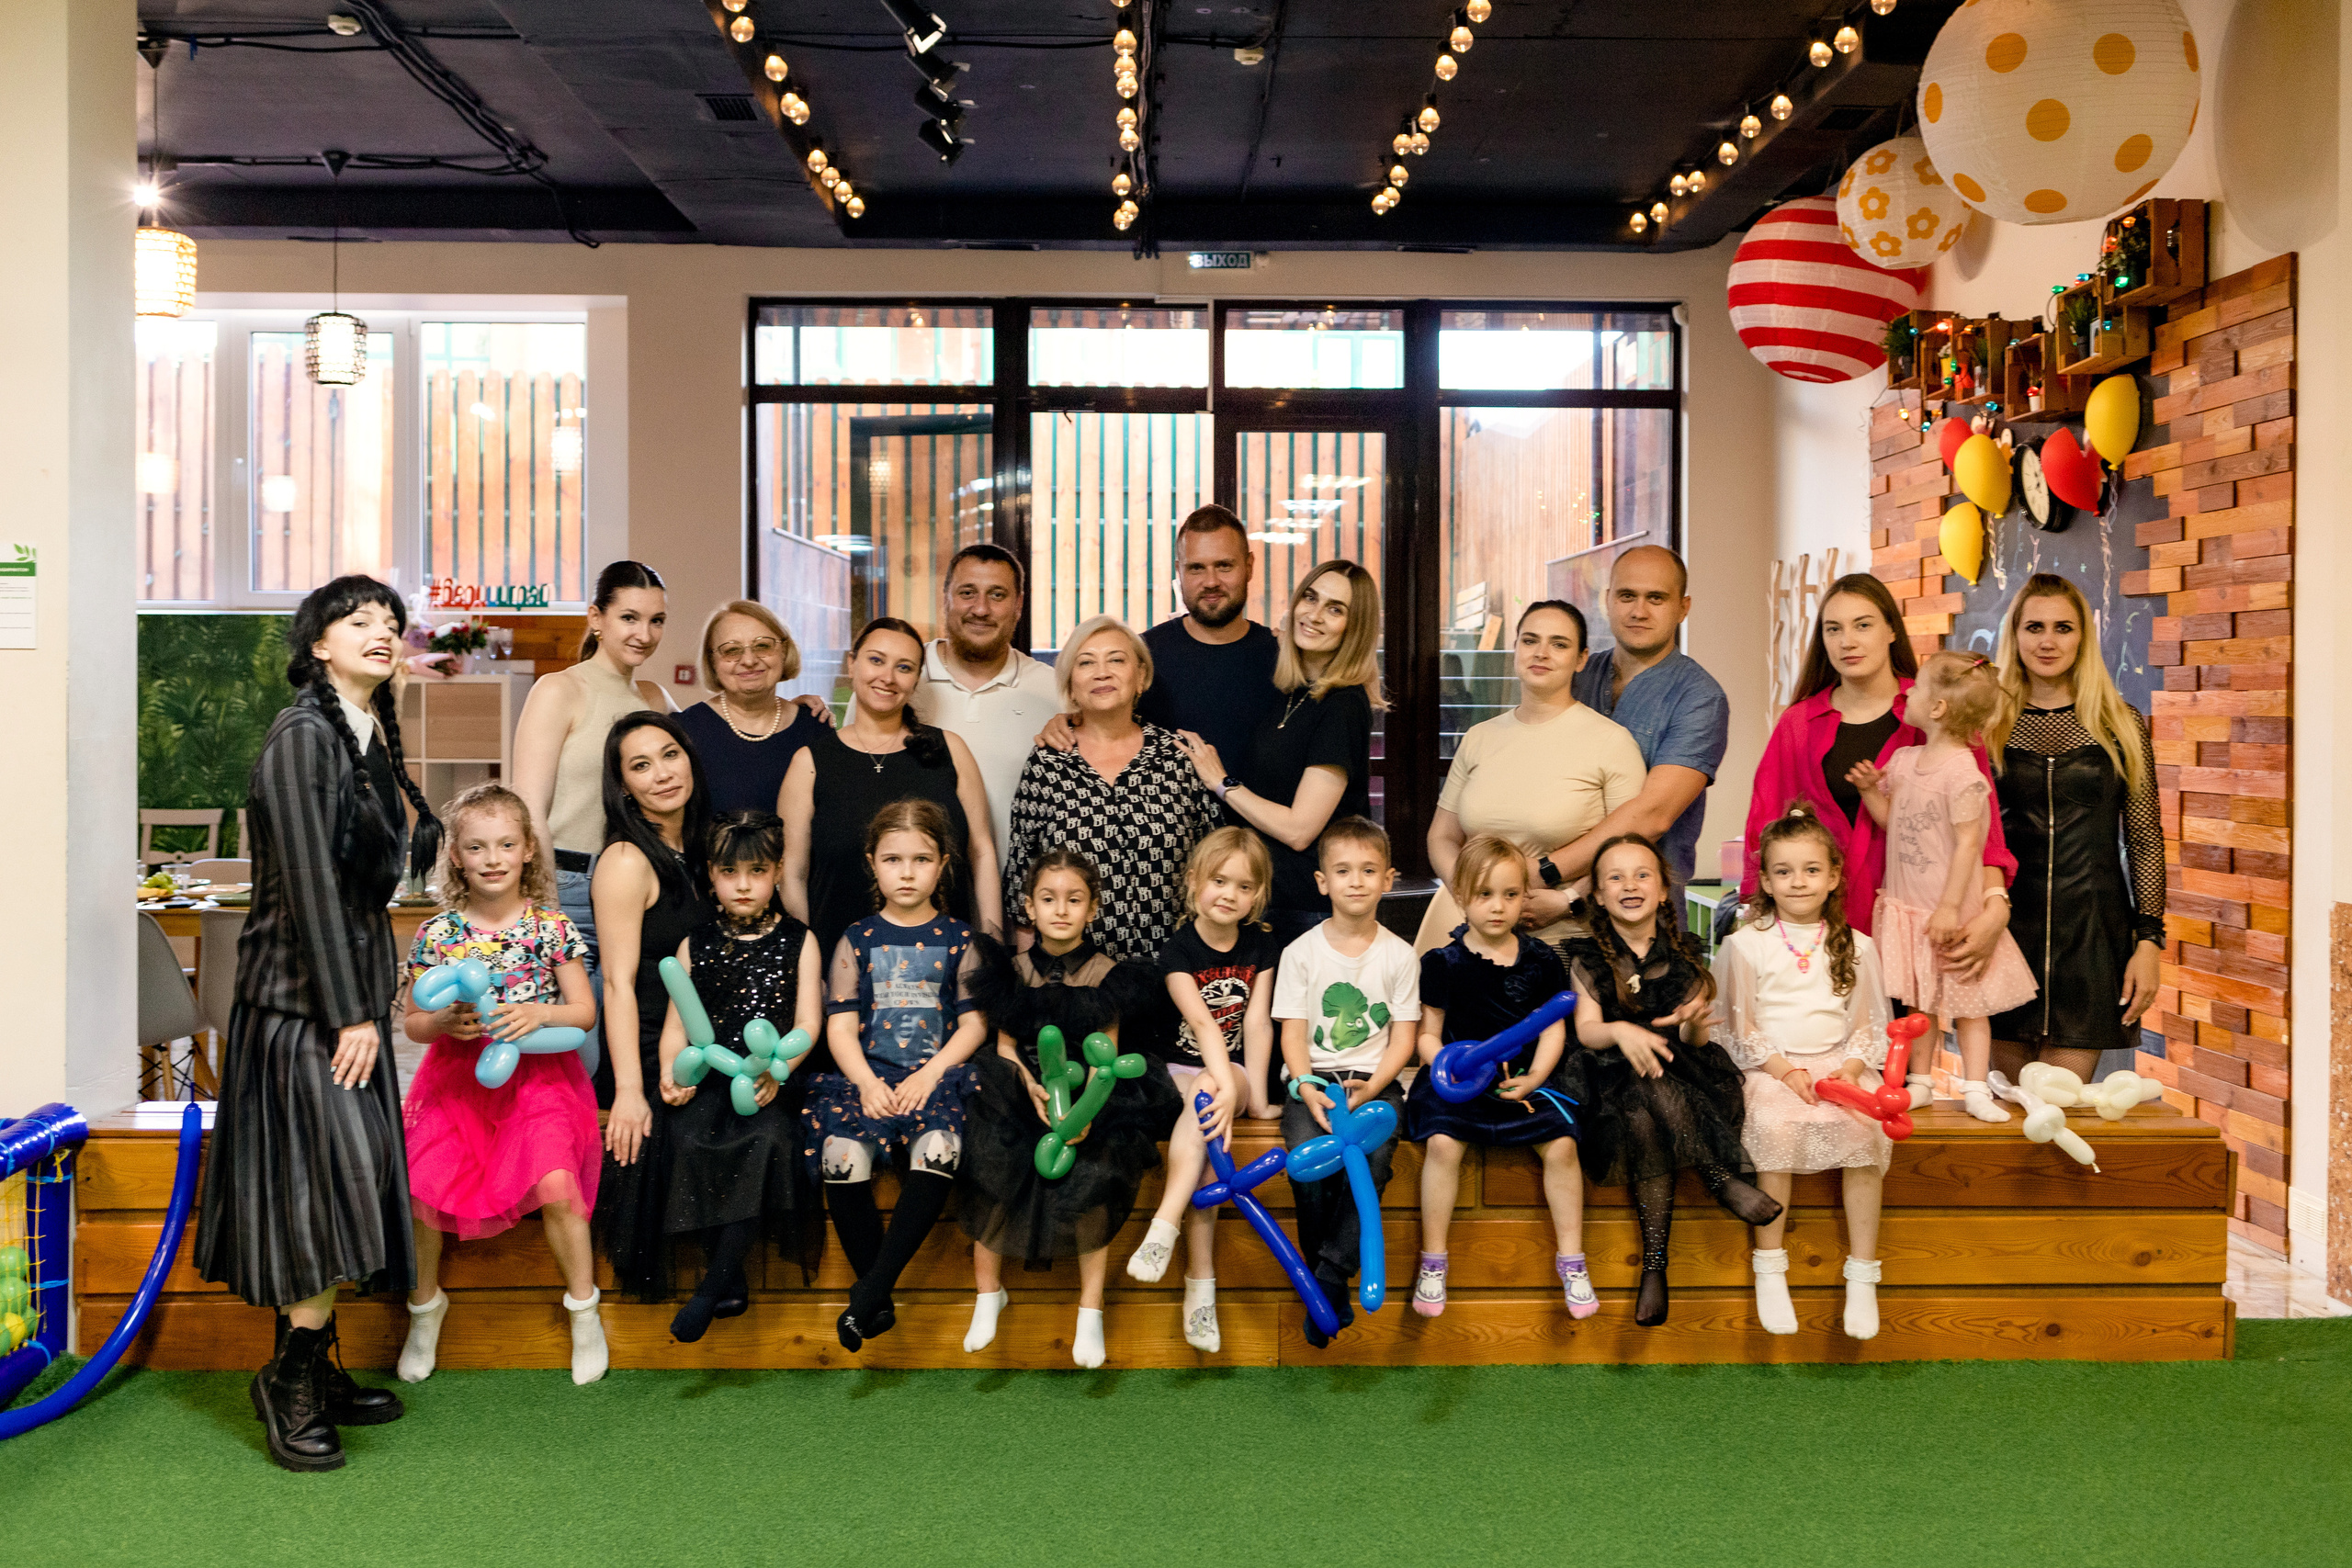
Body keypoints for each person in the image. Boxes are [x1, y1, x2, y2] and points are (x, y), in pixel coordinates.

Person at [193, 575, 442, 1472]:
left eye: (391, 621)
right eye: (358, 620)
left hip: (345, 1004)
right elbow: (306, 886)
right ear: (318, 646)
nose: (382, 631)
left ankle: (312, 1361)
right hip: (301, 1007)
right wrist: (350, 1016)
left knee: (341, 1183)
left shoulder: (361, 733)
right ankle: (290, 1380)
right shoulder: (303, 736)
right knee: (326, 1185)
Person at [1741, 572, 2017, 1108]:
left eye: (1863, 625)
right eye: (1833, 629)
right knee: (1829, 1092)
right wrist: (1759, 924)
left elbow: (1983, 834)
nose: (1847, 641)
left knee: (1902, 1088)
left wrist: (1994, 905)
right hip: (1824, 939)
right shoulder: (1800, 723)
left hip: (1918, 930)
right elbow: (1764, 827)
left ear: (1892, 630)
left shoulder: (1937, 712)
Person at [395, 784, 604, 1387]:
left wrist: (540, 1013)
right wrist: (441, 1022)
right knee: (421, 1192)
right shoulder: (437, 933)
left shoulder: (551, 926)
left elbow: (584, 1012)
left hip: (540, 1082)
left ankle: (584, 1311)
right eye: (477, 846)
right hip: (457, 1082)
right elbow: (413, 1022)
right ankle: (424, 1309)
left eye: (506, 844)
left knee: (558, 1185)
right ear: (456, 856)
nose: (493, 858)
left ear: (528, 850)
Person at [961, 851, 1180, 1370]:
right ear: (1029, 907)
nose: (1061, 910)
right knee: (992, 1160)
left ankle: (1090, 1309)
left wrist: (1081, 1114)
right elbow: (1006, 1047)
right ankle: (988, 1293)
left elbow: (1108, 1053)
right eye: (1048, 899)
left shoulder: (1110, 975)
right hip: (1022, 1088)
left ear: (1093, 908)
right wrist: (1029, 1086)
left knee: (1097, 1176)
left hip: (1092, 1096)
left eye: (1074, 900)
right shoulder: (1011, 972)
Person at [1558, 833, 1776, 1328]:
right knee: (1638, 1102)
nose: (1629, 885)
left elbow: (1694, 1038)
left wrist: (1693, 1024)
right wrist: (1620, 1031)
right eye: (1615, 878)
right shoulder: (1587, 956)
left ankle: (1655, 1267)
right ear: (1598, 895)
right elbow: (1587, 1030)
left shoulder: (1684, 952)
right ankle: (1718, 1179)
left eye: (1642, 875)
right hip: (1607, 1076)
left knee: (1648, 1101)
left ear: (1662, 891)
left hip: (1682, 1071)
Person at [805, 799, 988, 1352]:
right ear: (872, 864)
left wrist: (931, 1074)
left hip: (938, 1075)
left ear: (943, 865)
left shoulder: (962, 940)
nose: (907, 872)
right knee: (841, 1155)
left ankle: (870, 1292)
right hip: (870, 1075)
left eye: (921, 859)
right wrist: (865, 1082)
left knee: (939, 1149)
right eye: (893, 859)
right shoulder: (855, 939)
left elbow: (974, 1024)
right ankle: (877, 1300)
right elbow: (840, 1026)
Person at [1714, 803, 1894, 1342]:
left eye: (1812, 869)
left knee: (1866, 1132)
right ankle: (1770, 1266)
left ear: (1834, 876)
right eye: (1784, 871)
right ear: (1766, 882)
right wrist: (1784, 1071)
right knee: (1775, 1127)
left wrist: (1851, 1070)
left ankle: (1862, 1271)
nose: (1798, 881)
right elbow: (1739, 1024)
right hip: (1770, 1067)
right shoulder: (1745, 944)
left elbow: (1868, 1025)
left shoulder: (1857, 946)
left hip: (1839, 1064)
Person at [651, 810, 824, 1344]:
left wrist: (779, 1070)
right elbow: (676, 1025)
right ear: (711, 875)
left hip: (769, 1081)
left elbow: (808, 1023)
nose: (743, 885)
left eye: (757, 871)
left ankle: (710, 1290)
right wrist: (671, 1074)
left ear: (777, 872)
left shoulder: (800, 940)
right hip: (709, 1079)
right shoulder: (695, 943)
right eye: (730, 872)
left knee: (765, 1141)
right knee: (689, 1138)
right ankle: (730, 1279)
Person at [1984, 573, 2165, 1084]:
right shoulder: (1986, 724)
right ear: (2014, 635)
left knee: (2058, 1102)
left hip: (2092, 938)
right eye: (2034, 627)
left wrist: (2149, 941)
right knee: (2011, 1107)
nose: (2048, 641)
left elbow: (2145, 841)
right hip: (2004, 934)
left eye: (2063, 628)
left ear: (2083, 636)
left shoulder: (2120, 723)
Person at [1847, 651, 2040, 1122]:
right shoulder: (1905, 761)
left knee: (1970, 1004)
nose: (1906, 694)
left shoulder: (1963, 774)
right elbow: (1894, 822)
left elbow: (1970, 844)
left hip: (1951, 909)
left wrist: (1951, 907)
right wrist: (1870, 790)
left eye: (1915, 689)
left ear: (1937, 708)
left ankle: (1975, 1086)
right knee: (1920, 1003)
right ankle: (1922, 1081)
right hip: (1909, 906)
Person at [1402, 838, 1584, 1322]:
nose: (1498, 906)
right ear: (1461, 895)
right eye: (1485, 894)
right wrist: (1445, 1067)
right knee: (1443, 1144)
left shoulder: (1543, 960)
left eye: (1510, 894)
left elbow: (1552, 1030)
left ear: (1525, 897)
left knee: (1563, 1146)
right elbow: (1428, 1033)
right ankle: (1434, 1260)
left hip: (1521, 1080)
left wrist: (1536, 1077)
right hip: (1458, 1080)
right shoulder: (1441, 962)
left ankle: (1572, 1260)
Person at [513, 560, 669, 1100]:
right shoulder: (560, 690)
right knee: (574, 1054)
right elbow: (528, 807)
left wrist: (796, 706)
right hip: (569, 888)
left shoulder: (653, 699)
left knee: (623, 1055)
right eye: (629, 617)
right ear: (596, 618)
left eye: (656, 620)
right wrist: (548, 913)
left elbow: (711, 742)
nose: (644, 633)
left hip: (636, 890)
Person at [1177, 558, 1385, 949]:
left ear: (1355, 629)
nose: (1315, 615)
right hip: (1271, 899)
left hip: (1307, 908)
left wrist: (1221, 783)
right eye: (1311, 598)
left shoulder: (1342, 704)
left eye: (1335, 609)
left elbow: (1300, 830)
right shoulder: (1294, 691)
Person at [1126, 827, 1281, 1352]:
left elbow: (1256, 1023)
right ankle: (1198, 1284)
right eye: (1219, 880)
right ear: (1194, 881)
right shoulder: (1177, 951)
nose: (1229, 894)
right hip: (1180, 1070)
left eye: (1244, 886)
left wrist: (1255, 1098)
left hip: (1231, 1071)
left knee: (1210, 1097)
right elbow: (1202, 1023)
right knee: (1208, 1137)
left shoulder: (1261, 945)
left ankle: (1165, 1231)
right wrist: (1219, 1088)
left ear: (1257, 895)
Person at [1272, 816, 1421, 1348]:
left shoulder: (1400, 955)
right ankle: (1327, 1282)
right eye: (1342, 870)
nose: (1356, 881)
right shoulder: (1299, 952)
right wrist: (1306, 1085)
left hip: (1375, 1084)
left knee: (1373, 1161)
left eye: (1368, 870)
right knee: (1306, 1163)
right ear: (1322, 882)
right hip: (1312, 1085)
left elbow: (1404, 1038)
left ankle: (1328, 1277)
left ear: (1389, 879)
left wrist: (1375, 1086)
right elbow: (1292, 1032)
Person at [1423, 600, 1647, 947]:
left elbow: (1629, 851)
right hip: (1475, 942)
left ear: (1581, 659)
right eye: (1530, 641)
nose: (1541, 653)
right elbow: (1442, 837)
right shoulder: (1480, 737)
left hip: (1567, 943)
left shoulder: (1612, 742)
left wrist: (1568, 900)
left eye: (1559, 644)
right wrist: (1471, 896)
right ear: (1515, 648)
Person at [781, 617, 1002, 964]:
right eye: (876, 660)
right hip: (840, 966)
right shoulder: (810, 762)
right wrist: (805, 964)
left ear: (915, 679)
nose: (888, 677)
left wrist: (991, 946)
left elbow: (982, 852)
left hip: (944, 965)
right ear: (852, 664)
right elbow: (793, 873)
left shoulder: (950, 750)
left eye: (904, 667)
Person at [1001, 615, 1220, 963]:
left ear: (1141, 676)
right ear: (1071, 684)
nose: (1102, 672)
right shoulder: (1048, 762)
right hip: (1074, 974)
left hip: (1173, 971)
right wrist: (1032, 977)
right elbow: (1022, 877)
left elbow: (1215, 864)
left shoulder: (1178, 757)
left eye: (1116, 660)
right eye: (1086, 662)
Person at [588, 713, 718, 1302]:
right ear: (623, 786)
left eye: (669, 755)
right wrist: (629, 1092)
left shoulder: (702, 845)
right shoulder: (625, 861)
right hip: (643, 1043)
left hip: (700, 1035)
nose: (662, 774)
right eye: (641, 766)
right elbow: (616, 984)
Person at [1035, 505, 1282, 803]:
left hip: (1264, 830)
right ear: (1179, 570)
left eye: (1224, 566)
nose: (1211, 581)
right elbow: (1101, 723)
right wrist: (1067, 722)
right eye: (1196, 568)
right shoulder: (1140, 657)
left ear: (1249, 566)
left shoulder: (1285, 658)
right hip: (1164, 830)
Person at [1569, 545, 1733, 886]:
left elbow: (1653, 817)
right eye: (1627, 596)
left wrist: (1548, 871)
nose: (1639, 611)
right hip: (1548, 900)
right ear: (1608, 599)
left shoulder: (1700, 698)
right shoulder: (1575, 678)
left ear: (1683, 608)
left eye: (1656, 598)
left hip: (1647, 905)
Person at [910, 543, 1066, 858]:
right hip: (916, 885)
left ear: (1018, 605)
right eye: (967, 593)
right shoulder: (900, 682)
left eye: (997, 595)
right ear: (945, 598)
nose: (981, 609)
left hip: (1026, 885)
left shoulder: (1053, 692)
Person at [674, 600, 832, 817]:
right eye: (731, 650)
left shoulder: (816, 728)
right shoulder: (684, 731)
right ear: (712, 662)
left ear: (784, 651)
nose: (749, 660)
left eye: (763, 646)